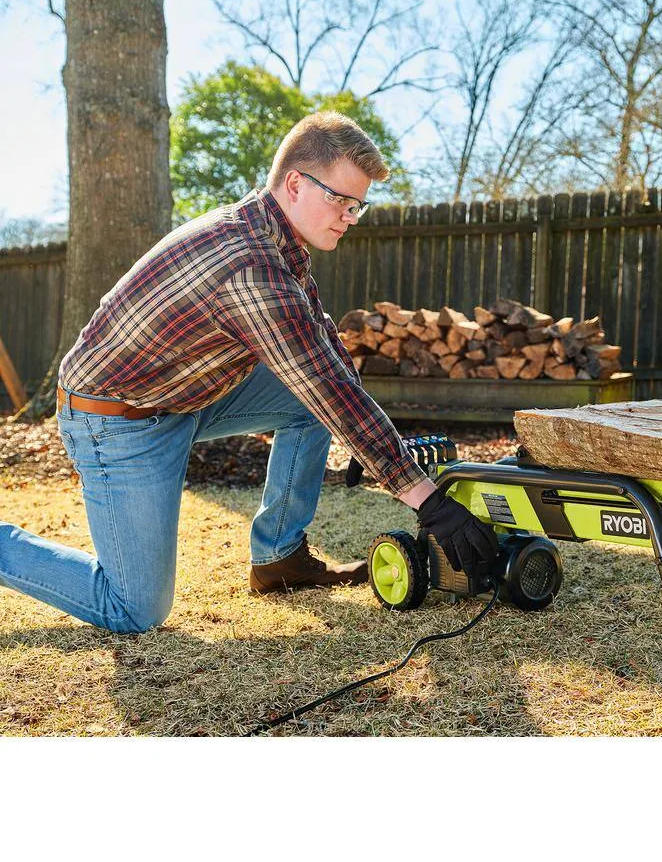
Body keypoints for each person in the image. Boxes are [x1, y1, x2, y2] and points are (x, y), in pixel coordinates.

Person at [0, 111, 498, 633]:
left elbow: (323, 347)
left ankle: (279, 559)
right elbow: (324, 385)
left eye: (358, 205)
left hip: (181, 393)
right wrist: (426, 498)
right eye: (341, 201)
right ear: (295, 184)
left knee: (315, 404)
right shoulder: (248, 265)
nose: (351, 217)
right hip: (115, 420)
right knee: (135, 609)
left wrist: (371, 442)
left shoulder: (274, 235)